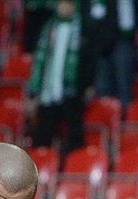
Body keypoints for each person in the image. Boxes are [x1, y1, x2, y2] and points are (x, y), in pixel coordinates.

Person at [26, 0, 95, 159]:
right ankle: (40, 169)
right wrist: (34, 90)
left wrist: (87, 85)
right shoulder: (48, 29)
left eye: (68, 4)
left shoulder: (84, 31)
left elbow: (90, 61)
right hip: (49, 92)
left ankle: (74, 166)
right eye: (61, 4)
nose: (63, 8)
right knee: (42, 136)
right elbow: (40, 61)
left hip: (72, 91)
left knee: (74, 135)